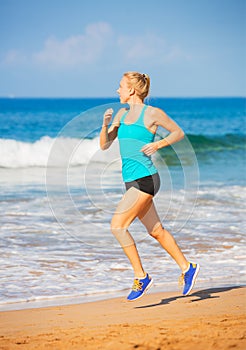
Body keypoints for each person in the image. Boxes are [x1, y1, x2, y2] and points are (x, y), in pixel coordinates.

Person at [100, 71, 199, 301]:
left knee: (117, 226)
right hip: (130, 181)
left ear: (132, 90)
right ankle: (187, 267)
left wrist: (159, 145)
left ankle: (141, 276)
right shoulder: (122, 114)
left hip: (146, 179)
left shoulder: (153, 114)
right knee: (156, 231)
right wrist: (105, 125)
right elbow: (105, 145)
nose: (117, 90)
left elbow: (178, 132)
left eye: (121, 86)